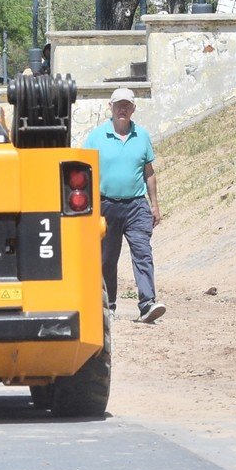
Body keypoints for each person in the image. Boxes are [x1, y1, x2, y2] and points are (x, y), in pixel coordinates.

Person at [83, 88, 164, 323]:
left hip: (136, 205)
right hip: (105, 205)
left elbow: (149, 173)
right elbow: (85, 172)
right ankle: (108, 306)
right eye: (119, 105)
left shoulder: (142, 136)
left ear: (133, 109)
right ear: (110, 107)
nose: (122, 109)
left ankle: (147, 304)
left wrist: (154, 205)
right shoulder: (96, 137)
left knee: (142, 252)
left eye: (127, 105)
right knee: (107, 258)